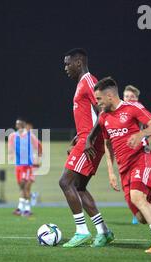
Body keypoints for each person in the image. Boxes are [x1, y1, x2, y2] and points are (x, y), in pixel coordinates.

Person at [88, 76, 151, 253]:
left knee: (137, 198)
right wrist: (111, 171)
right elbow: (108, 145)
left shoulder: (132, 108)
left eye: (99, 99)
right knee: (141, 217)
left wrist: (141, 134)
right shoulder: (103, 118)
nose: (97, 103)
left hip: (141, 159)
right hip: (123, 169)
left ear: (110, 96)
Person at [59, 48, 114, 248]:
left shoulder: (89, 81)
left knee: (65, 183)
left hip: (89, 142)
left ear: (79, 62)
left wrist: (89, 137)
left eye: (67, 63)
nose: (65, 68)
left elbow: (103, 109)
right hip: (84, 139)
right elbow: (91, 115)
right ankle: (104, 231)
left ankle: (81, 231)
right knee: (79, 188)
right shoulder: (82, 83)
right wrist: (80, 135)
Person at [8, 117, 42, 217]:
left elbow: (39, 145)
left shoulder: (30, 136)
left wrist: (38, 158)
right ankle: (25, 204)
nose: (18, 125)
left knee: (25, 186)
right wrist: (10, 154)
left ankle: (26, 209)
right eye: (17, 124)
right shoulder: (13, 136)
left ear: (24, 125)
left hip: (28, 165)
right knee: (21, 186)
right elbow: (10, 148)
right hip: (18, 165)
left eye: (20, 124)